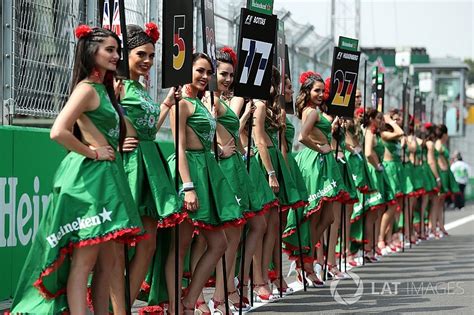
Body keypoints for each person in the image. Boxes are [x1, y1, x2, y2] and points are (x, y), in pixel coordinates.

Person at [10, 26, 145, 314]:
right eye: (109, 49)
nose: (116, 55)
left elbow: (125, 131)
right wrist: (92, 152)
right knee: (84, 263)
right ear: (90, 51)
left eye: (117, 50)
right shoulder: (85, 89)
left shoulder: (103, 90)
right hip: (91, 183)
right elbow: (58, 131)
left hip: (109, 180)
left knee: (108, 265)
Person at [108, 23, 184, 314]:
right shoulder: (114, 84)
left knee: (148, 244)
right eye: (142, 54)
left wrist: (165, 105)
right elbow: (96, 122)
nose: (148, 61)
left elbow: (150, 129)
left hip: (150, 165)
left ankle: (123, 307)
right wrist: (114, 145)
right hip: (128, 167)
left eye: (152, 55)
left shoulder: (138, 86)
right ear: (125, 53)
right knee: (118, 245)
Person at [166, 52, 244, 314]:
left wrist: (220, 151)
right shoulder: (182, 104)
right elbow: (179, 148)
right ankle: (178, 306)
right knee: (182, 245)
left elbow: (212, 134)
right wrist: (188, 187)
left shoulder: (201, 102)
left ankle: (188, 302)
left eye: (208, 72)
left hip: (206, 168)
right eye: (200, 70)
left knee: (218, 243)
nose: (205, 76)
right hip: (189, 174)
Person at [284, 71, 348, 285]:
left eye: (322, 90)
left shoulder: (314, 110)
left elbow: (316, 133)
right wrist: (321, 148)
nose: (320, 94)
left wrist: (333, 129)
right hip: (316, 163)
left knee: (328, 217)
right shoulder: (311, 111)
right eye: (316, 90)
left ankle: (307, 260)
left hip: (324, 162)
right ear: (308, 91)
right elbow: (303, 137)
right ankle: (306, 263)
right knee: (314, 213)